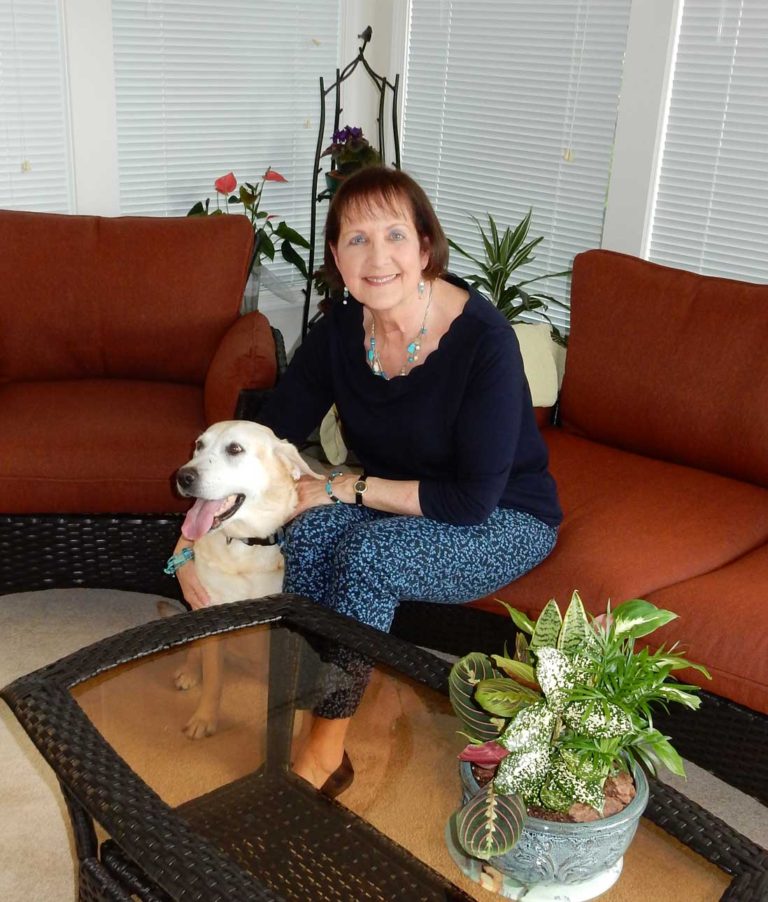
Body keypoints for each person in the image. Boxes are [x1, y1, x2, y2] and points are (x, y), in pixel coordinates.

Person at [174, 165, 562, 794]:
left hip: (502, 518)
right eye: (356, 239)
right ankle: (305, 716)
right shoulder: (338, 334)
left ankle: (321, 756)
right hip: (394, 501)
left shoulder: (483, 341)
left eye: (395, 236)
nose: (377, 257)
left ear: (426, 247)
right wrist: (191, 537)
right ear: (336, 256)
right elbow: (263, 436)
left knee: (367, 553)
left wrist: (341, 486)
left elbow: (470, 500)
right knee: (310, 533)